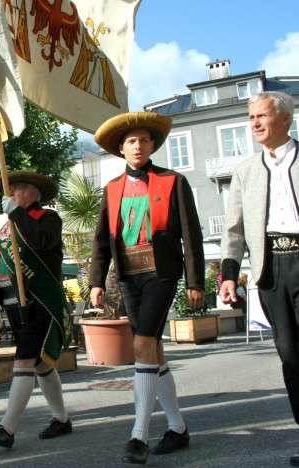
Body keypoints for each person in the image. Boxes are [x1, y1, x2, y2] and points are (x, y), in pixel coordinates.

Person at [90, 111, 204, 464]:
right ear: (121, 149)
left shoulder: (173, 181)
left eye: (143, 140)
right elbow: (100, 241)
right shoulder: (110, 190)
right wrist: (95, 280)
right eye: (130, 141)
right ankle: (177, 427)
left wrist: (195, 281)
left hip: (161, 273)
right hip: (128, 276)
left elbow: (191, 234)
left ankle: (138, 435)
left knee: (142, 344)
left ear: (152, 145)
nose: (137, 146)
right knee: (154, 352)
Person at [219, 91, 299, 466]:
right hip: (271, 270)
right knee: (290, 355)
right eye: (251, 117)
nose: (254, 123)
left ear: (285, 118)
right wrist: (229, 275)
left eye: (261, 116)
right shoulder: (245, 172)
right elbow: (233, 231)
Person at [0, 170, 72, 448]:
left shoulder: (48, 219)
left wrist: (17, 215)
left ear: (35, 193)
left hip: (38, 302)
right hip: (12, 303)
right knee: (39, 363)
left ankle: (7, 428)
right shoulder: (6, 228)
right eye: (11, 190)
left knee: (24, 360)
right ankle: (61, 419)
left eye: (19, 189)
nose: (12, 194)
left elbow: (40, 242)